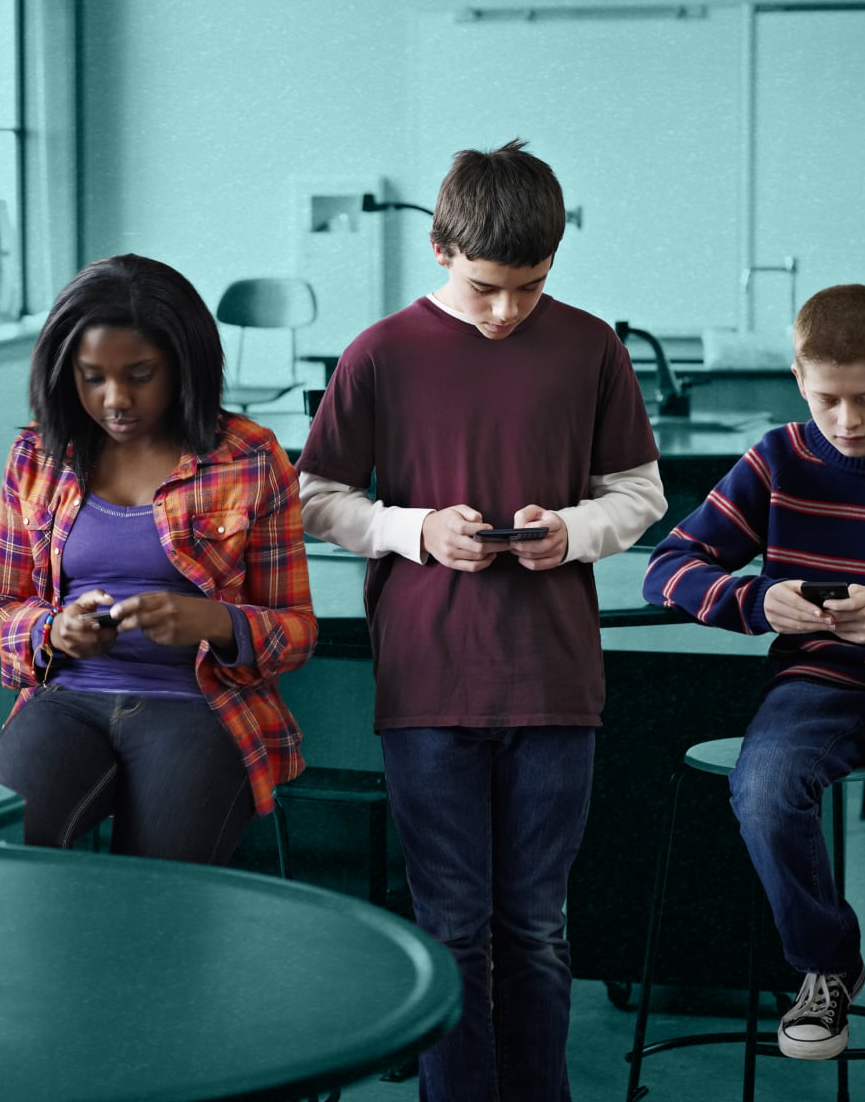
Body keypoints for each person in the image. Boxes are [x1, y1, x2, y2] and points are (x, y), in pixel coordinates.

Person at [298, 140, 666, 1102]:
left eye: (533, 286)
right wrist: (413, 529)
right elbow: (314, 498)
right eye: (490, 286)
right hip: (426, 677)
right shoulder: (379, 354)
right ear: (440, 249)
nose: (509, 311)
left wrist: (574, 530)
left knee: (537, 925)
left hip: (554, 679)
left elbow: (639, 491)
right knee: (453, 923)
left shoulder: (590, 345)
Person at [643, 283, 865, 1073]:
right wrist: (758, 599)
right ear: (799, 381)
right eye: (827, 399)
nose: (847, 421)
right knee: (764, 792)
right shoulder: (778, 458)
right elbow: (668, 569)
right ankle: (826, 965)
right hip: (815, 684)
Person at [0, 253, 317, 865]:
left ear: (183, 368)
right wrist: (53, 629)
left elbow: (296, 631)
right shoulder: (36, 455)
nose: (115, 401)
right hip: (67, 701)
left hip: (199, 705)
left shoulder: (249, 456)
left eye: (141, 375)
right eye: (91, 377)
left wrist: (213, 623)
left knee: (154, 890)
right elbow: (1, 609)